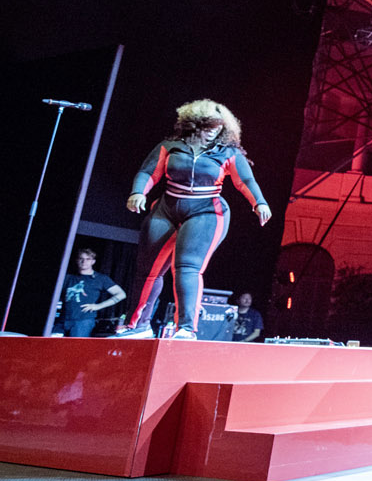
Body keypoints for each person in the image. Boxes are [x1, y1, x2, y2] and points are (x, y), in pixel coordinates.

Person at [113, 100, 271, 340]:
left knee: (187, 267)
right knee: (148, 271)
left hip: (206, 212)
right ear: (194, 124)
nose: (214, 131)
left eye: (219, 127)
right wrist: (138, 192)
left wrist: (259, 202)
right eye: (209, 126)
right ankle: (138, 325)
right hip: (166, 209)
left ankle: (186, 328)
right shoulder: (171, 146)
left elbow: (245, 181)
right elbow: (148, 172)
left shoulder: (227, 152)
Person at [56, 248, 125, 337]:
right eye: (81, 258)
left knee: (76, 345)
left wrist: (98, 306)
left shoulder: (100, 279)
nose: (84, 261)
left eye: (88, 259)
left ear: (93, 261)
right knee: (52, 343)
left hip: (83, 321)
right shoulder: (68, 277)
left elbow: (121, 294)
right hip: (63, 319)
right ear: (77, 260)